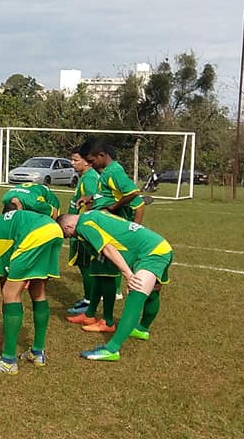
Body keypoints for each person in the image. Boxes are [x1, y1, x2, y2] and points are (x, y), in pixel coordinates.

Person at [56, 210, 173, 361]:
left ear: (68, 227)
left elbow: (108, 248)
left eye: (68, 235)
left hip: (151, 254)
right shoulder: (91, 214)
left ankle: (112, 349)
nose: (71, 237)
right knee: (153, 293)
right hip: (160, 246)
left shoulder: (83, 225)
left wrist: (128, 275)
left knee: (136, 295)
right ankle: (142, 329)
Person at [0, 209, 63, 374]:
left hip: (33, 233)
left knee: (11, 294)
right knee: (38, 291)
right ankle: (37, 352)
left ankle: (8, 361)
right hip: (53, 229)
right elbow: (5, 280)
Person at [75, 139, 143, 332]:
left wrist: (120, 213)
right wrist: (92, 198)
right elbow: (107, 195)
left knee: (106, 276)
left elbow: (136, 198)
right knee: (97, 273)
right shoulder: (105, 174)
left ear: (101, 156)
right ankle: (89, 315)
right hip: (101, 230)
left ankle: (108, 321)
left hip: (111, 234)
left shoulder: (114, 173)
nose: (90, 164)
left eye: (91, 160)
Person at [65, 148, 101, 317]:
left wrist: (83, 226)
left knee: (86, 264)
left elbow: (94, 200)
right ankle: (88, 299)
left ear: (87, 161)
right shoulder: (85, 177)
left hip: (81, 229)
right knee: (83, 264)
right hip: (77, 227)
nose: (72, 163)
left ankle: (89, 302)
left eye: (75, 160)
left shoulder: (90, 178)